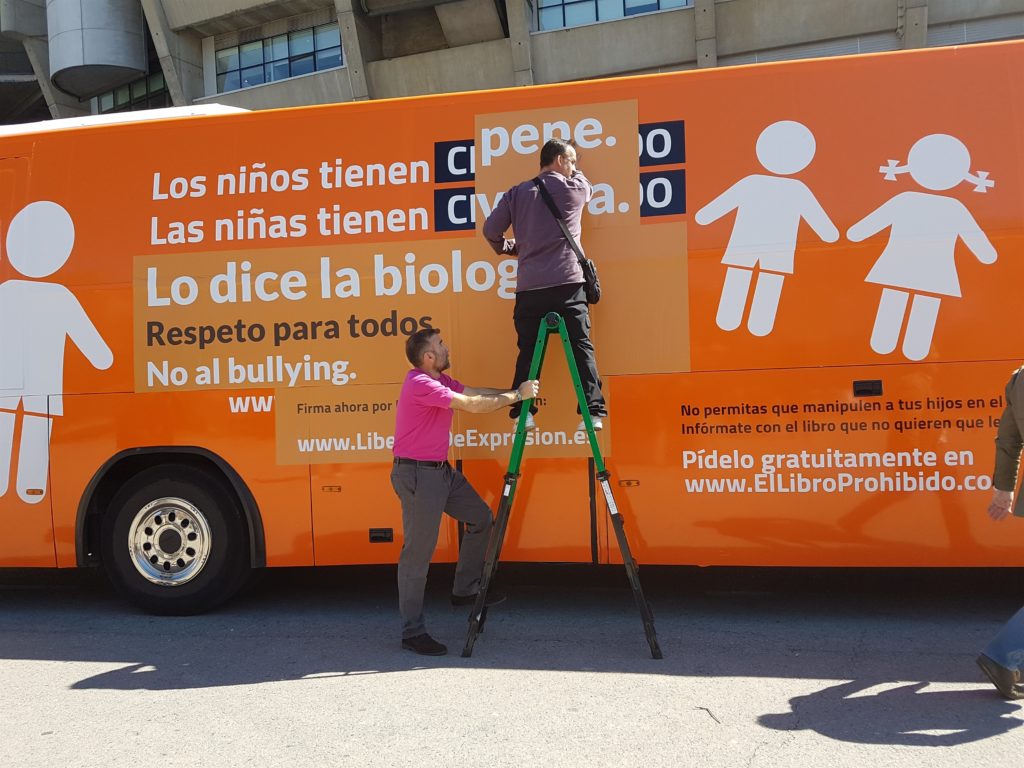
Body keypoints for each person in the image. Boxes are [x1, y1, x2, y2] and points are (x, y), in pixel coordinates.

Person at [391, 327, 539, 656]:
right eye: (440, 344)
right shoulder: (420, 383)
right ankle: (412, 633)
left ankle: (464, 589)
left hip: (440, 471)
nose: (447, 348)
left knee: (481, 518)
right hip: (417, 475)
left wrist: (515, 391)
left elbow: (475, 392)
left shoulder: (440, 380)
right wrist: (518, 397)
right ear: (428, 356)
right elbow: (471, 405)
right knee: (417, 556)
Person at [482, 138, 606, 432]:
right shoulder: (574, 188)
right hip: (567, 285)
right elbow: (587, 186)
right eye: (571, 161)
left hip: (530, 290)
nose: (573, 167)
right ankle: (592, 413)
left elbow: (490, 230)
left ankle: (523, 414)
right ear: (560, 160)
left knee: (528, 352)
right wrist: (576, 170)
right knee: (581, 348)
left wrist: (510, 247)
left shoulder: (517, 193)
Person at [977, 365, 1024, 699]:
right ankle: (1004, 655)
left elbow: (1009, 438)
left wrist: (1003, 489)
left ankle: (1007, 656)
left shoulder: (1020, 377)